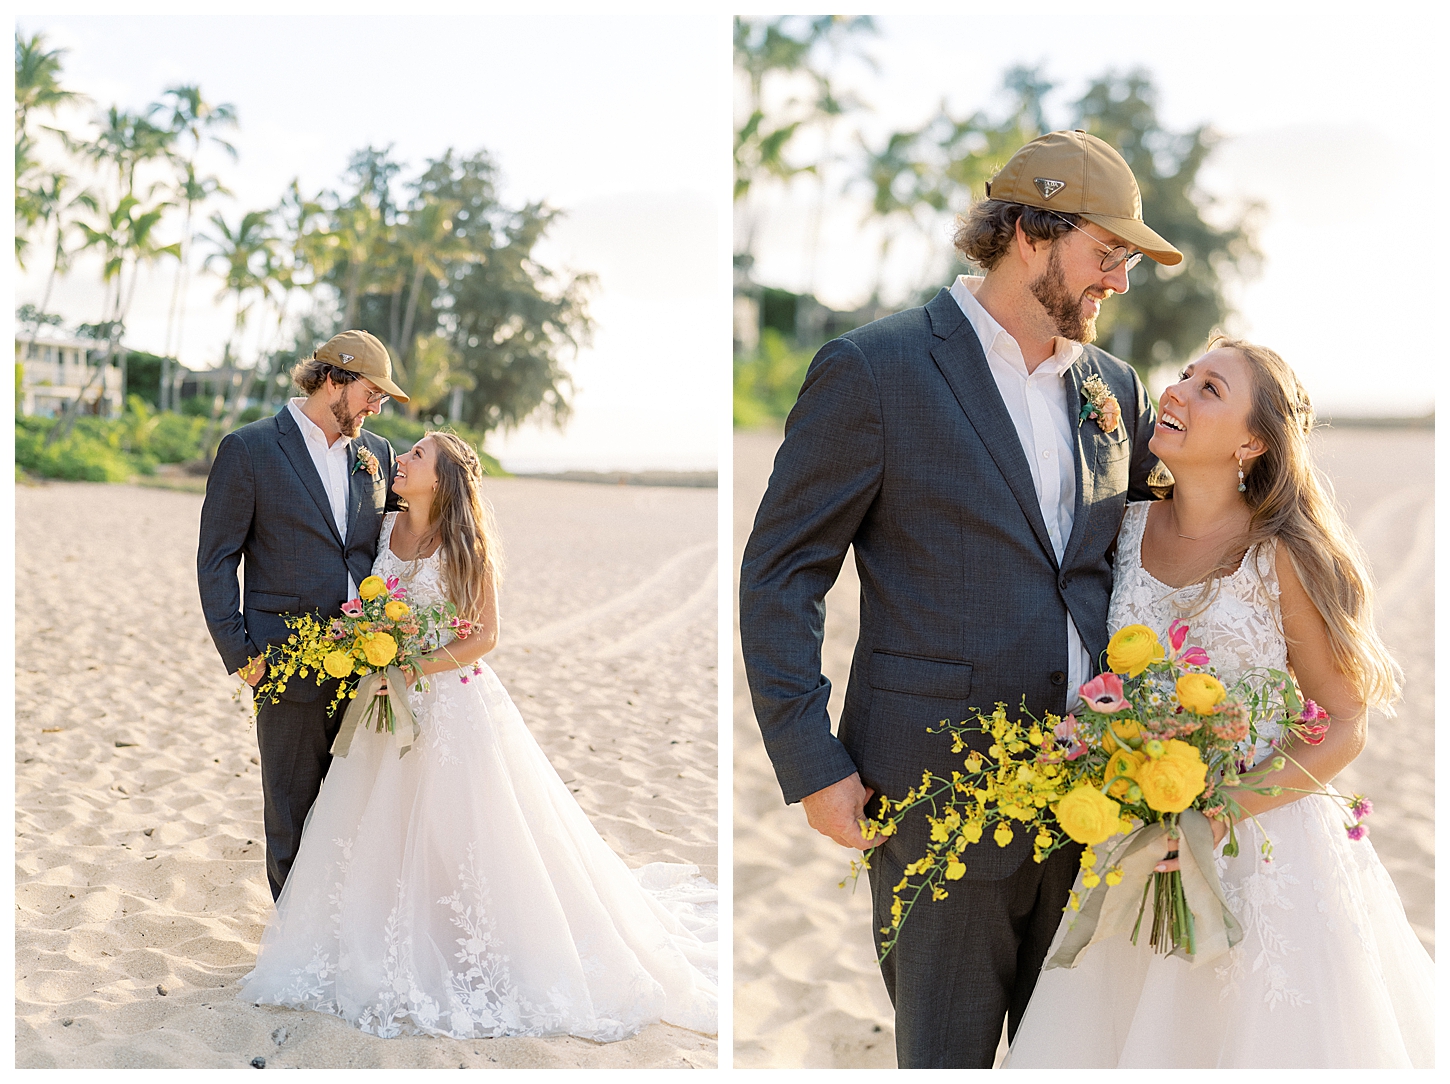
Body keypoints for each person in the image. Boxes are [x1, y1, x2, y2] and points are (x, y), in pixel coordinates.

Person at [739, 129, 1179, 1068]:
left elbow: (1136, 563)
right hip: (937, 793)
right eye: (1109, 254)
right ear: (1030, 230)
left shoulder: (1115, 386)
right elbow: (781, 572)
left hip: (1095, 798)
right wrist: (811, 759)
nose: (1121, 281)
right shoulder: (875, 370)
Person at [1004, 340, 1434, 1068]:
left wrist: (1212, 814)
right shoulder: (1122, 528)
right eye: (1184, 376)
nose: (1176, 391)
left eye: (1210, 389)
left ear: (1253, 441)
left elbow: (1344, 722)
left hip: (1258, 844)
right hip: (1136, 844)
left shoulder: (1283, 553)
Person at [237, 431, 717, 1041]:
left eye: (415, 455)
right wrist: (369, 651)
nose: (400, 459)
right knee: (374, 823)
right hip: (381, 699)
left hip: (446, 701)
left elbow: (484, 637)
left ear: (438, 481)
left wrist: (410, 665)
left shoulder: (466, 545)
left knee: (459, 827)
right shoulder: (382, 531)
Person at [198, 329, 403, 901]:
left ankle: (344, 930)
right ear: (334, 378)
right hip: (283, 658)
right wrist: (242, 654)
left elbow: (389, 546)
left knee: (354, 805)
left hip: (366, 661)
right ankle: (295, 941)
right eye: (371, 391)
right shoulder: (251, 448)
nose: (377, 405)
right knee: (291, 806)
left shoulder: (379, 454)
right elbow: (216, 561)